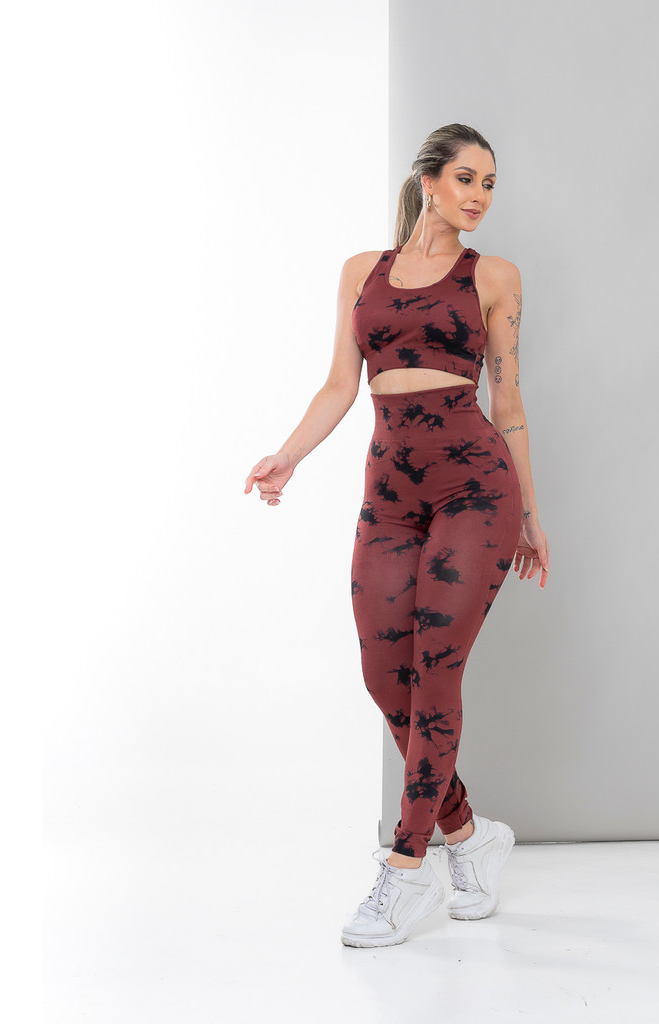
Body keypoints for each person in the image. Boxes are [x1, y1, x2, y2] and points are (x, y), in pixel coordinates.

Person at [244, 123, 550, 947]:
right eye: (466, 178)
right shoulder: (362, 272)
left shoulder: (494, 277)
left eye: (490, 183)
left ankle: (407, 870)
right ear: (427, 181)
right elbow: (339, 385)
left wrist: (528, 512)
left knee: (438, 664)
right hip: (389, 493)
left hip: (475, 488)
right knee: (387, 677)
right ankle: (469, 836)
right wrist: (288, 456)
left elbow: (509, 404)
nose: (480, 195)